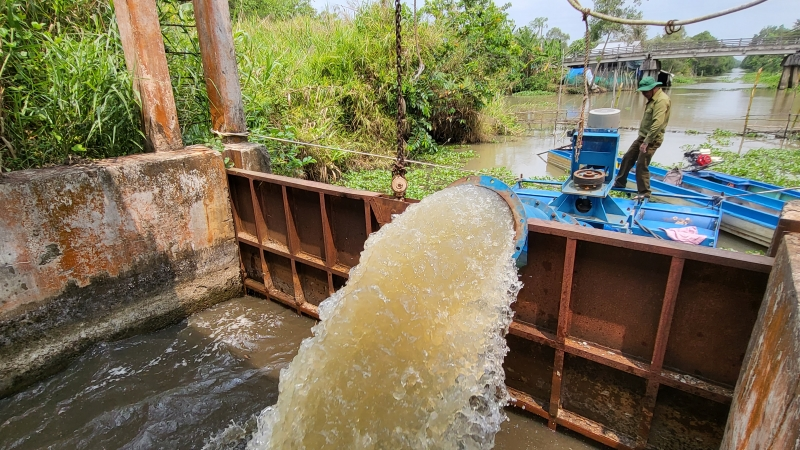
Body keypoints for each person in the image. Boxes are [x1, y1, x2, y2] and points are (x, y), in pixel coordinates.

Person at [613, 76, 671, 199]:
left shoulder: (661, 100)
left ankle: (644, 193)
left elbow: (657, 123)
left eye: (645, 91)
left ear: (653, 88)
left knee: (641, 165)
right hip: (643, 136)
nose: (644, 94)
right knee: (628, 157)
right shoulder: (653, 99)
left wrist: (646, 142)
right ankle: (620, 182)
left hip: (652, 138)